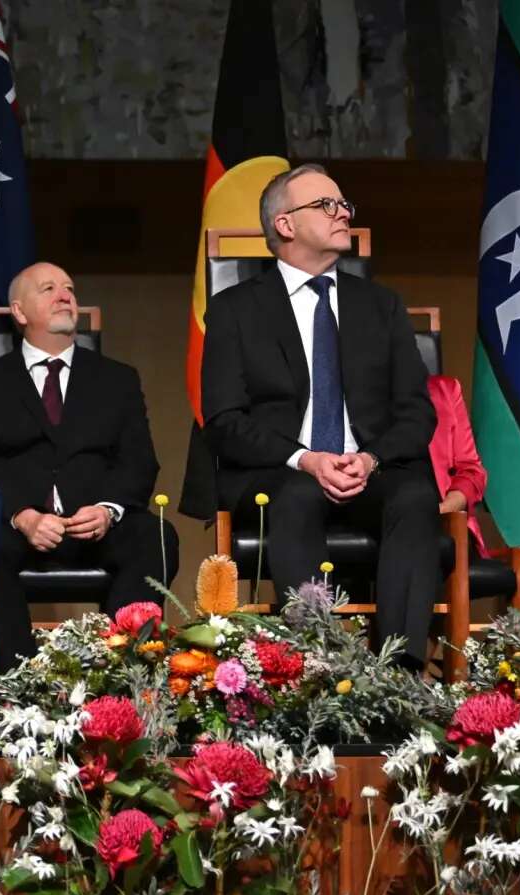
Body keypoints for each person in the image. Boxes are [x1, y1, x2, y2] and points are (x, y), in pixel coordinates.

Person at [184, 163, 438, 668]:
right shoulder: (235, 310)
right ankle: (314, 668)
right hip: (280, 473)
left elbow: (416, 412)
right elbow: (225, 420)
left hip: (368, 469)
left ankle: (400, 672)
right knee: (297, 495)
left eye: (344, 204)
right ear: (285, 224)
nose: (343, 212)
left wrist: (368, 459)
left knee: (415, 494)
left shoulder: (381, 306)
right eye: (327, 205)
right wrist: (305, 459)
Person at [0, 262, 175, 664]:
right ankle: (20, 682)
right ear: (20, 312)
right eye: (48, 289)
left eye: (70, 289)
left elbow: (139, 461)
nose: (65, 296)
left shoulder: (118, 379)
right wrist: (21, 515)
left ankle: (121, 670)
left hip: (94, 524)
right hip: (18, 526)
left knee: (157, 536)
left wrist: (107, 510)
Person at [427, 374, 489, 556]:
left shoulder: (445, 389)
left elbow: (472, 471)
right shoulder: (361, 393)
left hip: (448, 521)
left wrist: (444, 509)